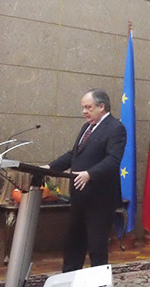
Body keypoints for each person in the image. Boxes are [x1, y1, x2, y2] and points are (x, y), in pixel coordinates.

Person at [44, 88, 126, 272]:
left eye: (88, 107)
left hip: (100, 198)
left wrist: (90, 173)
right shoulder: (87, 128)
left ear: (101, 106)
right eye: (83, 107)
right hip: (80, 196)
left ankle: (98, 283)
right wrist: (50, 168)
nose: (84, 111)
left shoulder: (115, 128)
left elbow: (113, 160)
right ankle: (69, 278)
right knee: (73, 242)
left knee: (97, 246)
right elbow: (74, 154)